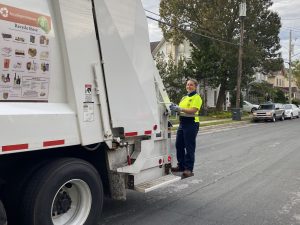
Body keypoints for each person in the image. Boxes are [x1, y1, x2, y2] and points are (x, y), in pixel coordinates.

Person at [169, 79, 202, 178]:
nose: (188, 86)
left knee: (189, 147)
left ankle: (189, 169)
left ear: (195, 86)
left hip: (191, 124)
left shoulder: (197, 97)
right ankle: (181, 165)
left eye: (191, 85)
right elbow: (180, 110)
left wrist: (180, 109)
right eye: (187, 85)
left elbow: (193, 110)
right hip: (182, 124)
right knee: (179, 145)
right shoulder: (184, 97)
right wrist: (175, 108)